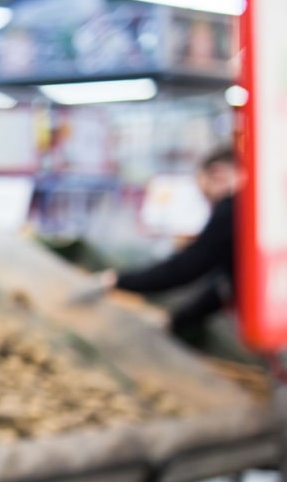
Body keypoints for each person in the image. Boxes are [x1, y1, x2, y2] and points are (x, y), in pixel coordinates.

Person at [83, 145, 240, 342]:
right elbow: (228, 283)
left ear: (218, 174)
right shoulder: (262, 206)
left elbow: (186, 267)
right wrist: (175, 320)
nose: (212, 205)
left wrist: (117, 281)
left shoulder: (235, 207)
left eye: (208, 195)